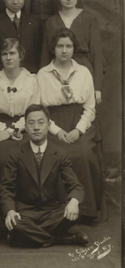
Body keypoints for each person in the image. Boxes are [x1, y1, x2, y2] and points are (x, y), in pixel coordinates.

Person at [0, 104, 88, 247]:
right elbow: (6, 188)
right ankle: (62, 239)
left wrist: (73, 202)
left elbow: (75, 185)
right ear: (26, 128)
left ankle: (23, 237)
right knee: (15, 223)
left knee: (76, 210)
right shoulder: (16, 153)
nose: (36, 127)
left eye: (41, 122)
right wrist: (10, 211)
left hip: (51, 211)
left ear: (49, 125)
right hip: (25, 212)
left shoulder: (60, 154)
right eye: (31, 123)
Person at [37, 28, 103, 219]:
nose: (64, 50)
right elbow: (41, 110)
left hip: (80, 123)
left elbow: (90, 108)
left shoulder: (83, 72)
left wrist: (78, 130)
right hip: (53, 124)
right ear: (53, 48)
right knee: (59, 154)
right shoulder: (43, 74)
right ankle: (58, 211)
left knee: (84, 154)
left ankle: (86, 211)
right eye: (60, 46)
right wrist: (57, 131)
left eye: (68, 46)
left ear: (74, 48)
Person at [40, 0, 104, 102]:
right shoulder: (51, 22)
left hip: (83, 72)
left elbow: (97, 55)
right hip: (56, 74)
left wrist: (97, 88)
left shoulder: (89, 19)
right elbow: (45, 55)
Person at [0, 39, 40, 176]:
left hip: (25, 128)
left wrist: (13, 130)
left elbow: (33, 111)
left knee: (29, 156)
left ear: (20, 56)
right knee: (3, 157)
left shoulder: (31, 80)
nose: (8, 57)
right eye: (4, 54)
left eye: (12, 53)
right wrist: (3, 130)